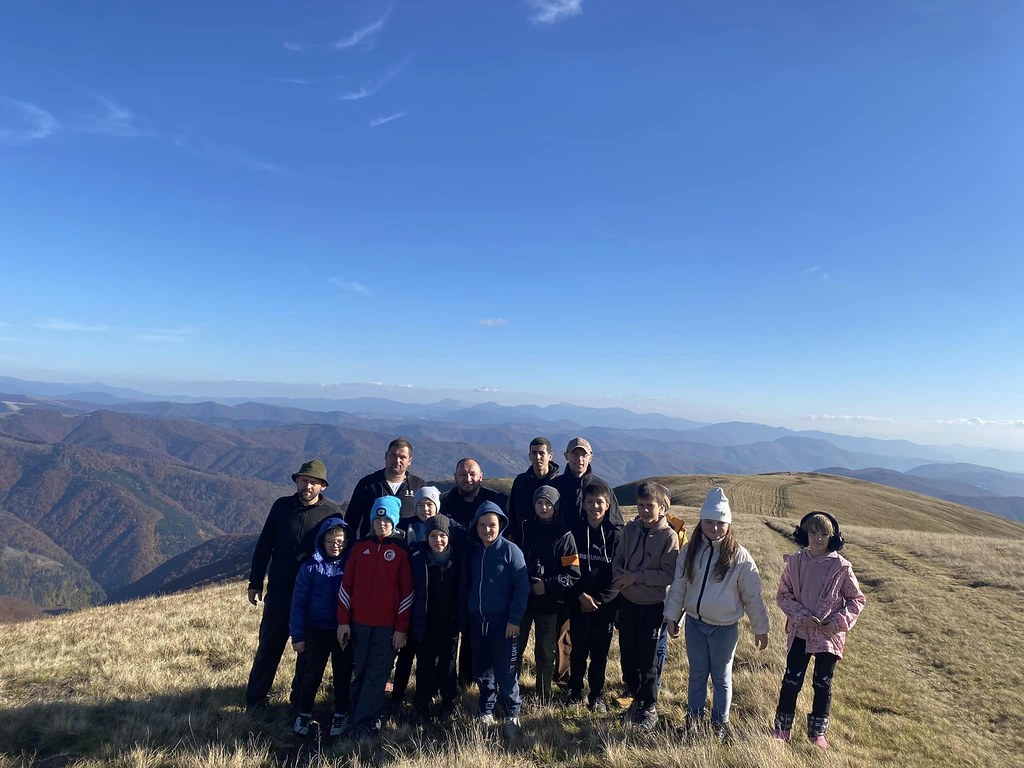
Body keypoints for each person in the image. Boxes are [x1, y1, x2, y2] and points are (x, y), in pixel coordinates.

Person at [664, 486, 770, 740]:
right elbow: (679, 585)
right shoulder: (690, 551)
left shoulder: (740, 557)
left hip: (724, 628)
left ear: (728, 524)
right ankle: (693, 722)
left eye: (720, 523)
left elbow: (753, 596)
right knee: (697, 675)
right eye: (709, 522)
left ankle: (720, 725)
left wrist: (761, 628)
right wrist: (672, 616)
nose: (714, 528)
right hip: (695, 625)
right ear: (701, 522)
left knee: (721, 678)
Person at [246, 459, 342, 714]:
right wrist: (255, 582)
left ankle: (298, 702)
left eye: (313, 482)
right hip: (279, 592)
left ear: (322, 486)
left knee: (306, 654)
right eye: (303, 480)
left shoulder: (331, 515)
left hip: (312, 596)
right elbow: (265, 544)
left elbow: (337, 554)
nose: (307, 485)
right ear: (297, 481)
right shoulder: (281, 507)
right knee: (269, 646)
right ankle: (255, 700)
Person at [772, 511, 865, 748]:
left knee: (823, 683)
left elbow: (856, 600)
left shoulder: (842, 567)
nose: (818, 538)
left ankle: (817, 734)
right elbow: (783, 595)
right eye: (813, 532)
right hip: (800, 632)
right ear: (805, 534)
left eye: (824, 534)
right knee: (791, 679)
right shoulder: (794, 562)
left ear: (833, 537)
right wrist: (800, 616)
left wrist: (838, 622)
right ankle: (782, 729)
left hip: (828, 636)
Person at [337, 497, 413, 738]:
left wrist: (401, 629)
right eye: (378, 519)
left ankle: (365, 724)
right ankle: (356, 714)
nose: (382, 524)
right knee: (360, 671)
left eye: (387, 519)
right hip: (358, 624)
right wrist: (343, 622)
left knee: (377, 674)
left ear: (395, 521)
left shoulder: (401, 552)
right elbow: (346, 587)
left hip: (386, 627)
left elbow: (407, 594)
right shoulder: (360, 548)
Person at [612, 480, 679, 731]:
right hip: (627, 602)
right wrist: (619, 575)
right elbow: (618, 557)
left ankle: (649, 708)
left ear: (662, 508)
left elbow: (668, 575)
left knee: (647, 661)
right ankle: (635, 702)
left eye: (649, 506)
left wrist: (635, 577)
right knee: (627, 657)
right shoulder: (630, 530)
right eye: (640, 505)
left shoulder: (669, 536)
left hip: (653, 607)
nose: (644, 510)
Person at [460, 501, 530, 738]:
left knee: (506, 671)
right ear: (476, 527)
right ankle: (486, 709)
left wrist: (514, 620)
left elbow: (522, 588)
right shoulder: (474, 552)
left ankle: (512, 713)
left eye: (492, 525)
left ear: (501, 525)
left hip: (504, 624)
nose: (487, 529)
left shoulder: (511, 551)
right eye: (482, 525)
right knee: (482, 670)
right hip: (478, 622)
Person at [289, 517, 353, 737]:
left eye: (341, 541)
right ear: (322, 541)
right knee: (311, 675)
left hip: (343, 630)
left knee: (343, 675)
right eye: (331, 541)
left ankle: (341, 713)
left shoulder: (352, 566)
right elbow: (298, 603)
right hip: (315, 629)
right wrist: (297, 635)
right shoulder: (310, 568)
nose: (336, 546)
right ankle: (304, 712)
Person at [517, 486, 580, 703]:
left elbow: (573, 573)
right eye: (539, 503)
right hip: (523, 601)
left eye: (548, 503)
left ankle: (543, 696)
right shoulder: (524, 529)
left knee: (545, 652)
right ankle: (510, 692)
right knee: (516, 649)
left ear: (556, 506)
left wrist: (548, 585)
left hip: (549, 603)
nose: (543, 507)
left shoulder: (565, 536)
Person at [567, 479, 622, 712]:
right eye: (590, 502)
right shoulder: (573, 532)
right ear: (584, 504)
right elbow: (568, 565)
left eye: (599, 502)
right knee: (578, 650)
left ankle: (596, 694)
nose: (594, 506)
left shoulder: (616, 535)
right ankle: (575, 690)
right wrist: (580, 595)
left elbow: (618, 573)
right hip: (578, 602)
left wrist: (597, 599)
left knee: (600, 653)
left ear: (608, 504)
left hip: (604, 607)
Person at [409, 514, 463, 723]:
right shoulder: (418, 558)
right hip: (426, 620)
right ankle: (422, 703)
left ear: (448, 536)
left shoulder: (457, 560)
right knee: (425, 663)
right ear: (427, 538)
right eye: (433, 536)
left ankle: (448, 702)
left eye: (442, 535)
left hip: (450, 620)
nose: (438, 540)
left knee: (449, 663)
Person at [346, 438, 425, 539]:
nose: (397, 460)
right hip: (372, 549)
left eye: (402, 457)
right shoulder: (367, 484)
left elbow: (428, 519)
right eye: (393, 455)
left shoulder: (418, 485)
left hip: (407, 549)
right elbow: (351, 521)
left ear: (409, 461)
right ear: (386, 456)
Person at [551, 437, 621, 528]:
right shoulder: (554, 487)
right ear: (566, 456)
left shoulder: (602, 487)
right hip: (562, 541)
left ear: (591, 457)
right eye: (575, 454)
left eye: (584, 455)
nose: (579, 459)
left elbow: (616, 523)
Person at [506, 437, 560, 544]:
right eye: (534, 453)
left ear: (550, 456)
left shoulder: (558, 484)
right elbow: (512, 511)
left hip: (550, 542)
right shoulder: (521, 481)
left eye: (541, 453)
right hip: (523, 542)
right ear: (529, 456)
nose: (537, 457)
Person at [441, 458, 508, 528]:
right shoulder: (445, 504)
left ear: (480, 477)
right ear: (455, 477)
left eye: (473, 474)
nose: (468, 479)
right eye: (463, 474)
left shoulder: (497, 502)